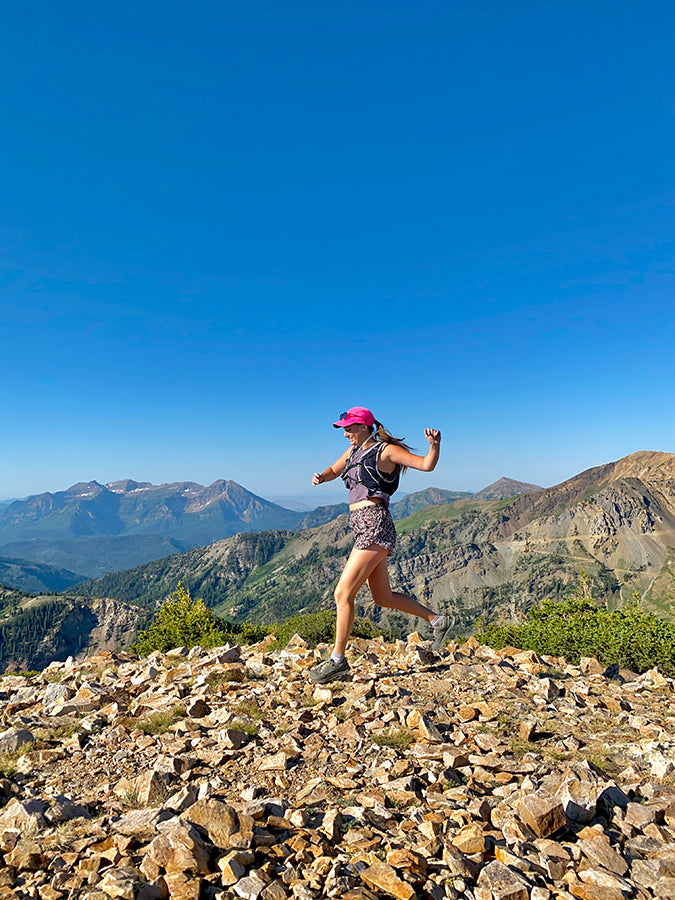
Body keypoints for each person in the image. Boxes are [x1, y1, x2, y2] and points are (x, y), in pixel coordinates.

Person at [308, 406, 454, 683]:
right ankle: (438, 621)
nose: (346, 433)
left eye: (350, 428)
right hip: (361, 526)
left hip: (374, 525)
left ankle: (337, 661)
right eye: (344, 429)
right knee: (383, 598)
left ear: (365, 426)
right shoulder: (353, 453)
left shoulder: (384, 450)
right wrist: (321, 477)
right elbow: (334, 469)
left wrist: (435, 446)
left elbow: (425, 465)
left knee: (342, 594)